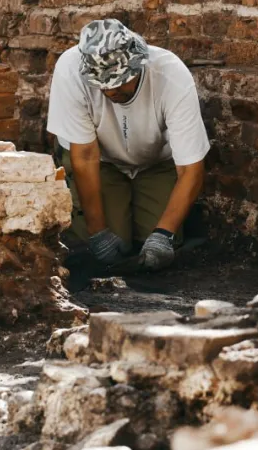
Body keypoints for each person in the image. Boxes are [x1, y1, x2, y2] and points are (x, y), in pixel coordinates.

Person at [47, 19, 210, 271]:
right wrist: (98, 233)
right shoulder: (70, 71)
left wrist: (163, 235)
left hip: (155, 161)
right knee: (103, 245)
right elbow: (86, 156)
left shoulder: (171, 76)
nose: (111, 90)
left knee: (157, 248)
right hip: (99, 161)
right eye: (103, 83)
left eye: (120, 81)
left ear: (139, 63)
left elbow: (190, 169)